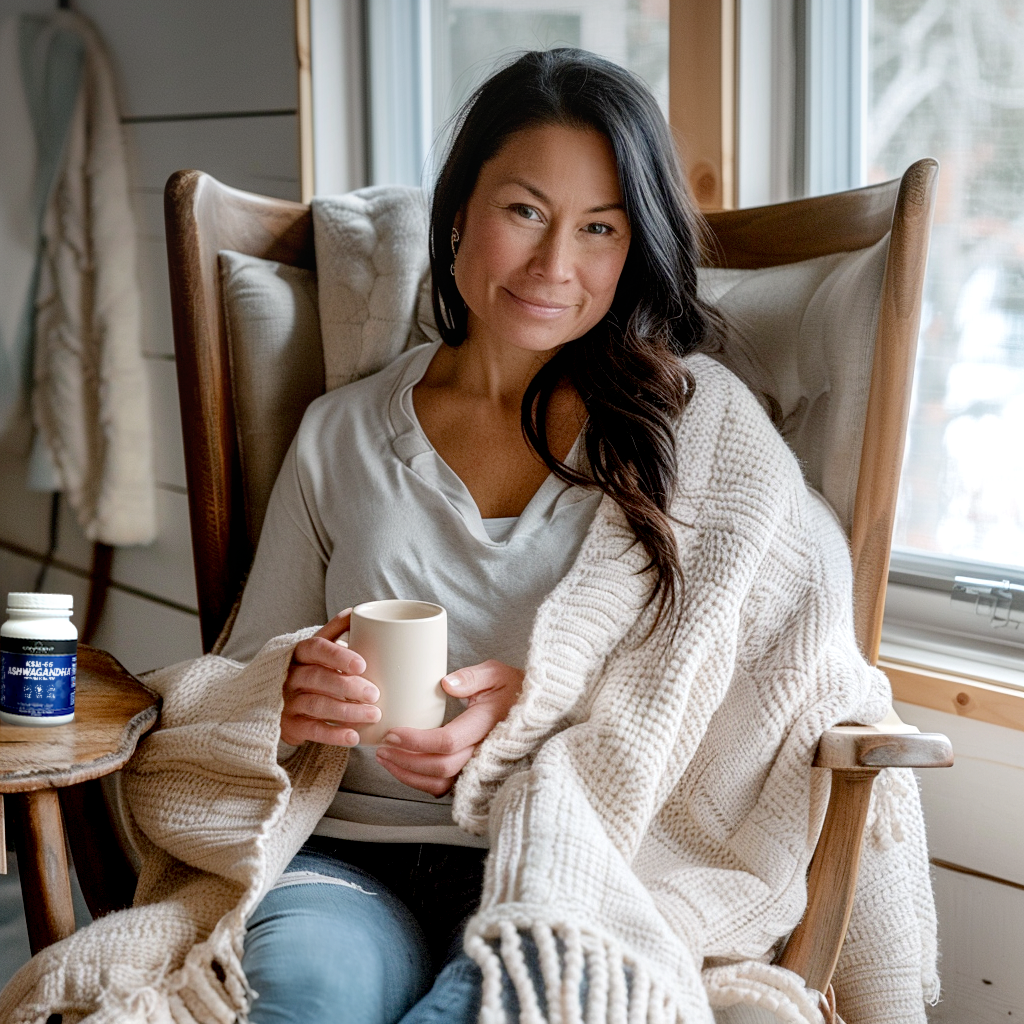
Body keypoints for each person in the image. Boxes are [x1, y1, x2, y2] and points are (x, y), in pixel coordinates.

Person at [0, 48, 936, 1024]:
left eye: (599, 228)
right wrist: (289, 690)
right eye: (524, 210)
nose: (553, 265)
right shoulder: (344, 431)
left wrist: (537, 714)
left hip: (577, 871)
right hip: (346, 861)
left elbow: (780, 676)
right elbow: (237, 672)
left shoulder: (698, 434)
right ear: (459, 212)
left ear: (633, 247)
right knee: (304, 1000)